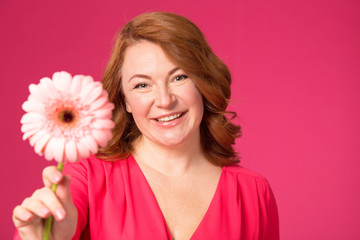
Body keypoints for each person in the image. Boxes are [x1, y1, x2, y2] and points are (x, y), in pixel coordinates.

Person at [12, 12, 279, 240]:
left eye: (179, 77)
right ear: (124, 100)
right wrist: (47, 234)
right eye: (142, 85)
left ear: (203, 84)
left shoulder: (253, 192)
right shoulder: (86, 177)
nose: (164, 100)